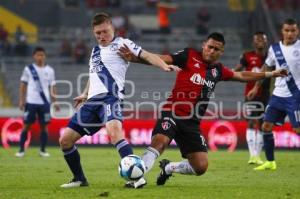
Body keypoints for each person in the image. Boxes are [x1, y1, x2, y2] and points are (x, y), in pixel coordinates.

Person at [118, 32, 287, 188]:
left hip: (192, 123)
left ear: (221, 52)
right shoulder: (189, 55)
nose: (212, 51)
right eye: (210, 46)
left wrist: (270, 74)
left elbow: (242, 75)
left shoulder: (218, 70)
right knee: (159, 142)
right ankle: (135, 179)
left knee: (200, 166)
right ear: (204, 45)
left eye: (216, 49)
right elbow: (162, 58)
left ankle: (169, 168)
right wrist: (134, 58)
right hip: (172, 112)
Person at [59, 12, 178, 188]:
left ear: (112, 28)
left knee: (114, 132)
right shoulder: (95, 51)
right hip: (92, 102)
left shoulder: (123, 43)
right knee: (65, 141)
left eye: (105, 31)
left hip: (110, 98)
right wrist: (85, 93)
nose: (102, 36)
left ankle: (137, 178)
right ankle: (79, 179)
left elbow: (147, 55)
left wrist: (163, 65)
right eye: (98, 33)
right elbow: (93, 75)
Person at [248, 18, 300, 171]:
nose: (290, 33)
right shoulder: (274, 48)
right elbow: (266, 68)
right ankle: (270, 162)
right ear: (282, 31)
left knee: (297, 129)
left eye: (293, 30)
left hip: (295, 95)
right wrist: (256, 88)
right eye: (287, 30)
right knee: (266, 126)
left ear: (297, 31)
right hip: (277, 95)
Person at [234, 31, 270, 165]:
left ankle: (257, 155)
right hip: (250, 94)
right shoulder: (247, 56)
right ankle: (252, 155)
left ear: (266, 41)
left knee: (262, 123)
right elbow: (236, 69)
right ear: (253, 42)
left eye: (262, 38)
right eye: (257, 39)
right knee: (250, 122)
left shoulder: (270, 56)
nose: (260, 41)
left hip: (265, 94)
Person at [15, 47, 59, 158]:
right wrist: (22, 100)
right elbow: (23, 85)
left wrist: (55, 102)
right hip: (31, 102)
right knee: (26, 126)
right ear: (34, 56)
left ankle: (43, 150)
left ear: (45, 56)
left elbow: (52, 87)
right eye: (38, 55)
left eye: (42, 55)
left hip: (44, 103)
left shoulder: (50, 70)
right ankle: (21, 150)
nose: (40, 57)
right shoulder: (28, 69)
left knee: (44, 127)